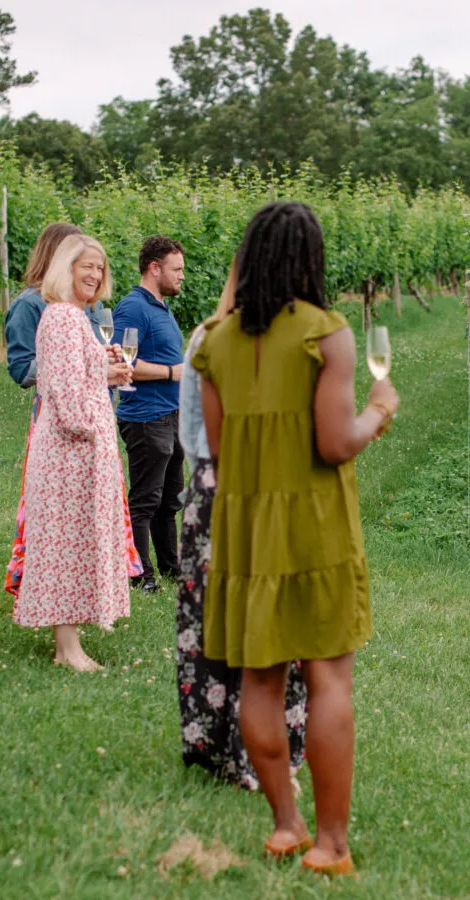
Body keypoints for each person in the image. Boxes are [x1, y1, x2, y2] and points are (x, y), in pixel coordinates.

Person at [195, 202, 399, 877]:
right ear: (310, 258)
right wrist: (378, 412)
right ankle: (331, 845)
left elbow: (220, 452)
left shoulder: (215, 344)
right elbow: (334, 442)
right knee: (328, 675)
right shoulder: (326, 334)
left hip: (246, 529)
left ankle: (286, 824)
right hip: (312, 525)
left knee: (260, 676)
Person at [176, 259, 306, 790]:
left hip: (207, 494)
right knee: (269, 625)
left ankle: (210, 741)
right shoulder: (288, 345)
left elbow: (189, 432)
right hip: (263, 493)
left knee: (210, 620)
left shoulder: (204, 337)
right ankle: (264, 755)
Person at [12, 234, 136, 671]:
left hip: (73, 452)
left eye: (100, 268)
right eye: (86, 266)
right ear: (66, 268)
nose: (95, 275)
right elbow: (65, 399)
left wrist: (107, 370)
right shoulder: (64, 318)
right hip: (69, 453)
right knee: (64, 545)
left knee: (69, 544)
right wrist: (96, 432)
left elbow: (75, 374)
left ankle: (70, 645)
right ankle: (67, 650)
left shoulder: (71, 317)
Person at [113, 236, 187, 592]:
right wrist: (174, 372)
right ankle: (140, 576)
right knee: (145, 500)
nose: (182, 276)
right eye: (177, 269)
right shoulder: (132, 308)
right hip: (145, 417)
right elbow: (123, 362)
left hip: (171, 415)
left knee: (170, 499)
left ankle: (171, 569)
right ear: (154, 268)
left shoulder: (161, 306)